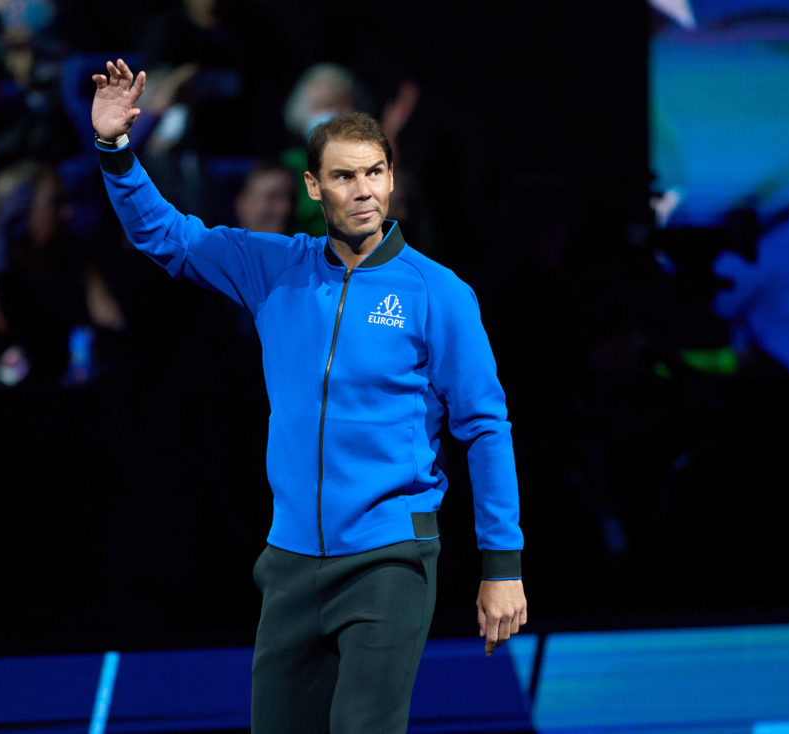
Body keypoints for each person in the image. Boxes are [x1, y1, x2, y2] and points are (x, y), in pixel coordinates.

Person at [90, 58, 527, 734]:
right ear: (313, 186)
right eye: (344, 176)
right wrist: (116, 150)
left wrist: (503, 566)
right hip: (290, 560)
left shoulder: (438, 293)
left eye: (374, 173)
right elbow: (166, 236)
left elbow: (486, 427)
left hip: (390, 556)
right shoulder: (275, 269)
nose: (363, 191)